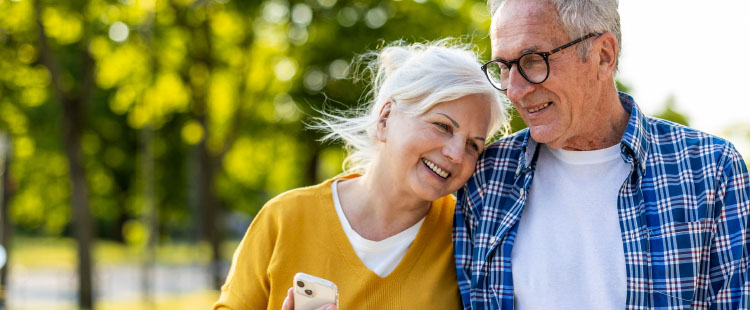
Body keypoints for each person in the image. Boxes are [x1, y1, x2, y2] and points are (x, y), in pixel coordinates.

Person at [453, 0, 750, 309]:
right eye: (503, 67)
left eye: (532, 60)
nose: (514, 90)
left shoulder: (712, 169)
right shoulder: (485, 177)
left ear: (603, 56)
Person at [212, 40, 510, 309]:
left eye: (473, 145)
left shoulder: (469, 237)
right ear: (385, 118)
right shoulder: (284, 219)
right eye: (443, 126)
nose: (456, 155)